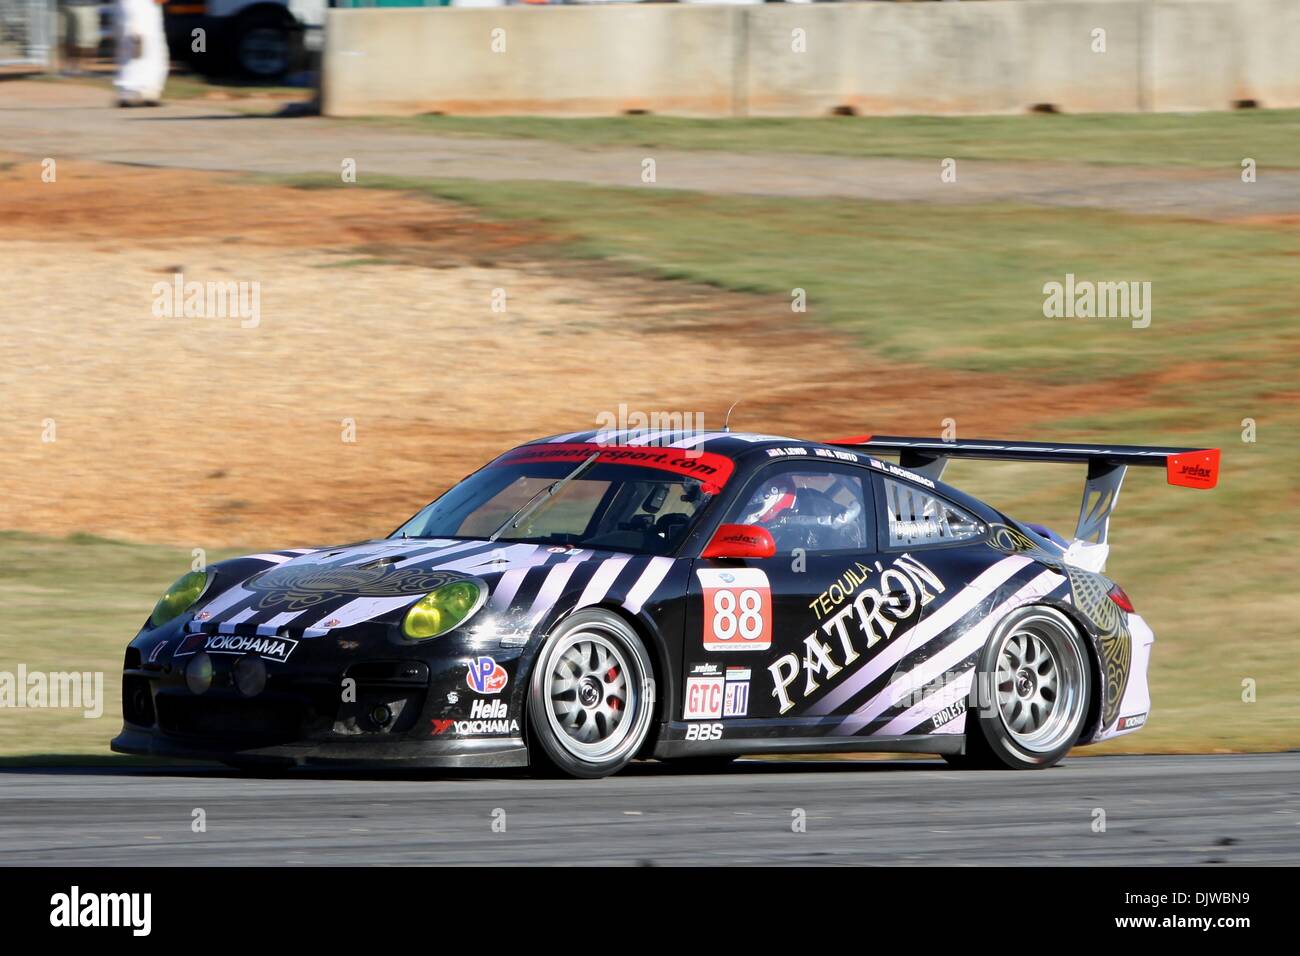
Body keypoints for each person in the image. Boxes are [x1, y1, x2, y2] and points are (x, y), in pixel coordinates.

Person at [114, 0, 169, 107]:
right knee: (136, 41)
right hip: (135, 5)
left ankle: (148, 90)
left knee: (152, 46)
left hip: (149, 5)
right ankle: (130, 90)